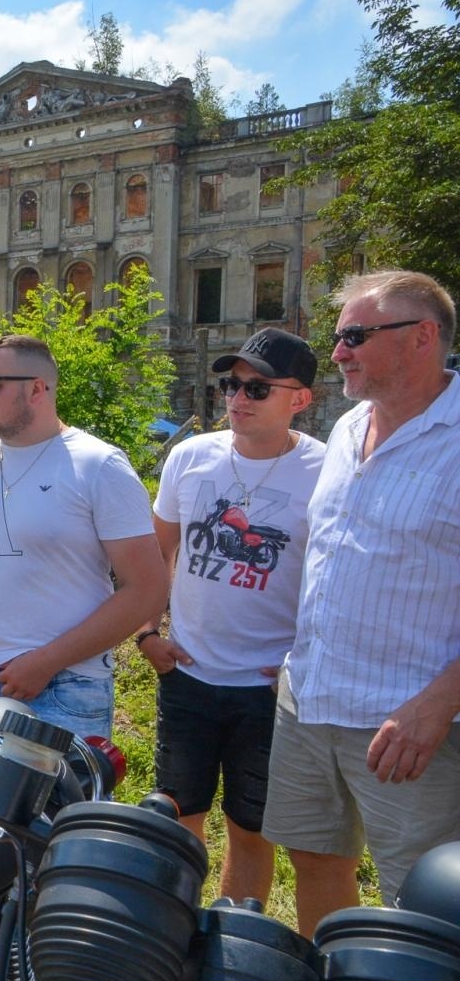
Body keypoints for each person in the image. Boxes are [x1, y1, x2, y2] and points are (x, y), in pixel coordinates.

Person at [263, 270, 460, 936]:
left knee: (425, 896)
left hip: (407, 722)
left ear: (422, 338)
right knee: (315, 858)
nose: (337, 352)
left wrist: (439, 704)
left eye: (354, 336)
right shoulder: (346, 428)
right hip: (310, 701)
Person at [141, 329, 324, 906]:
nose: (238, 397)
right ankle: (175, 939)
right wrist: (148, 633)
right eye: (231, 384)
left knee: (252, 827)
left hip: (269, 689)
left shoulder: (326, 470)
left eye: (257, 387)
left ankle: (233, 940)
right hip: (189, 674)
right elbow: (155, 553)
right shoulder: (191, 457)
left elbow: (335, 579)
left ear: (300, 399)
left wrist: (304, 660)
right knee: (178, 816)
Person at [0, 335, 165, 738]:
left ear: (37, 388)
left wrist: (48, 661)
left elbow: (147, 588)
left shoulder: (99, 465)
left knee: (56, 805)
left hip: (63, 688)